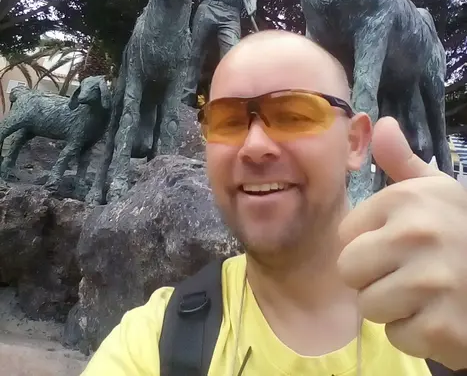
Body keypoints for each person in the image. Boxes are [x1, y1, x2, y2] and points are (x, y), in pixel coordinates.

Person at [82, 30, 467, 375]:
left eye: (294, 115)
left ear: (354, 142)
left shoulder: (445, 319)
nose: (254, 146)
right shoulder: (157, 340)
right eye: (228, 121)